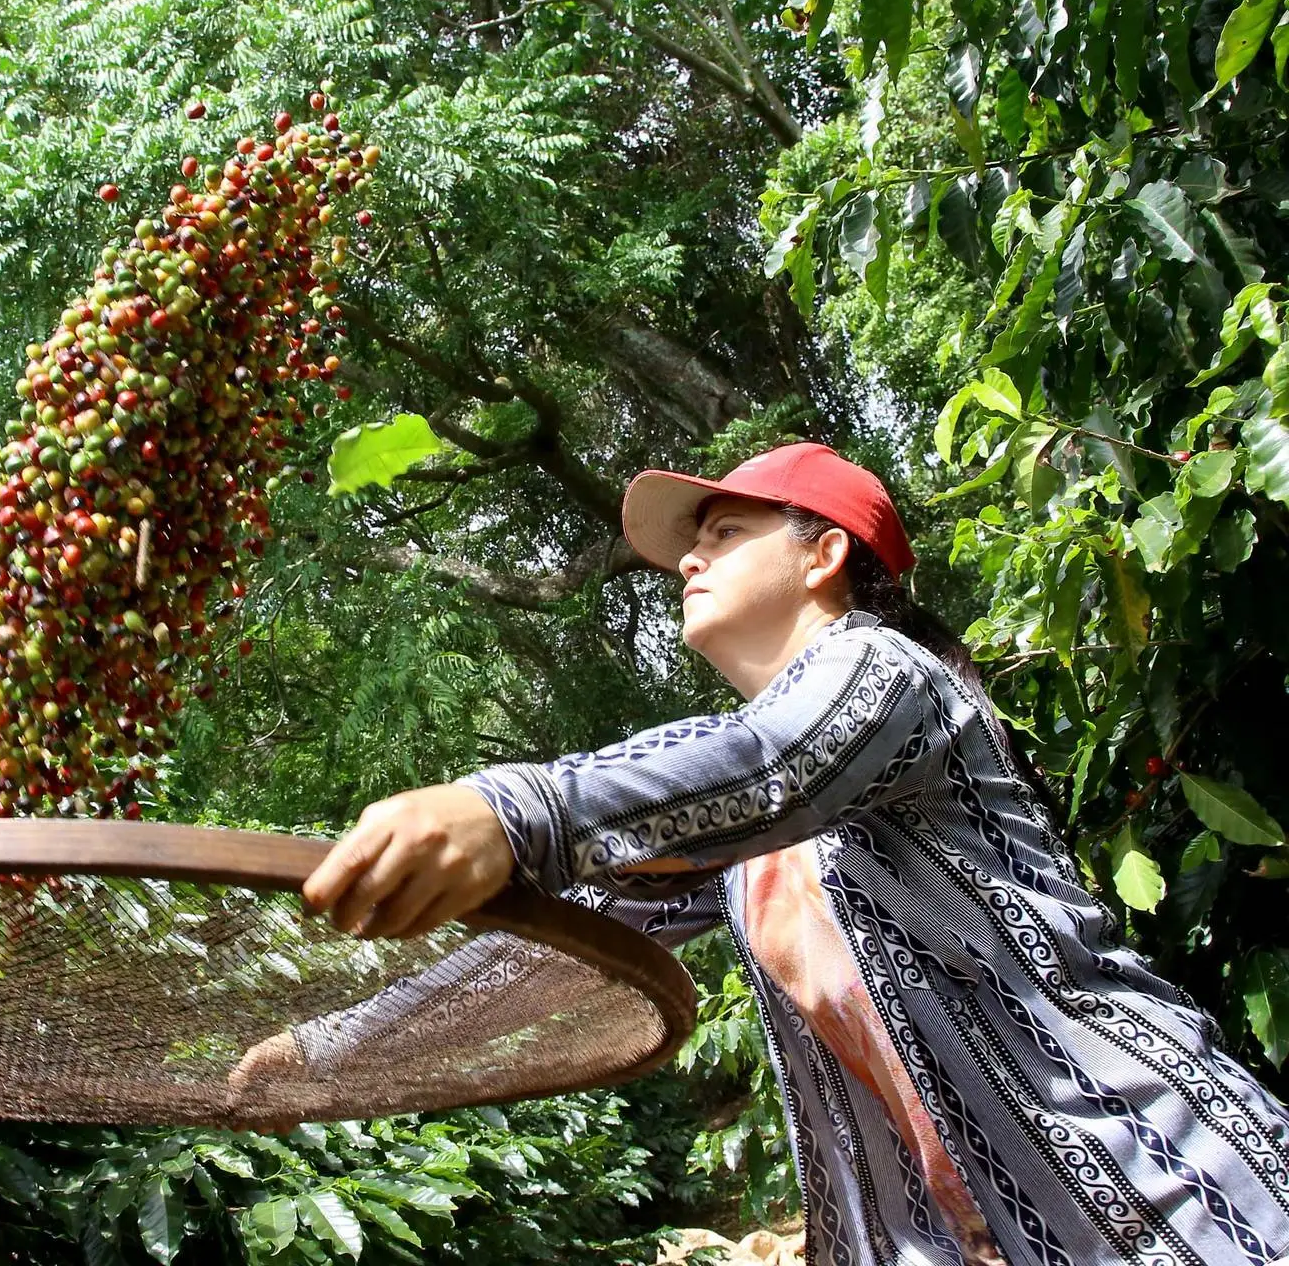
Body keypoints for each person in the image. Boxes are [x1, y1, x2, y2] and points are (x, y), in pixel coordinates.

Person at [243, 442, 1289, 1265]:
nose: (688, 559)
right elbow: (562, 951)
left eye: (726, 531)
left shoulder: (888, 674)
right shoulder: (740, 839)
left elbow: (772, 758)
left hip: (1162, 1195)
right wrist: (338, 1046)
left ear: (822, 552)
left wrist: (510, 807)